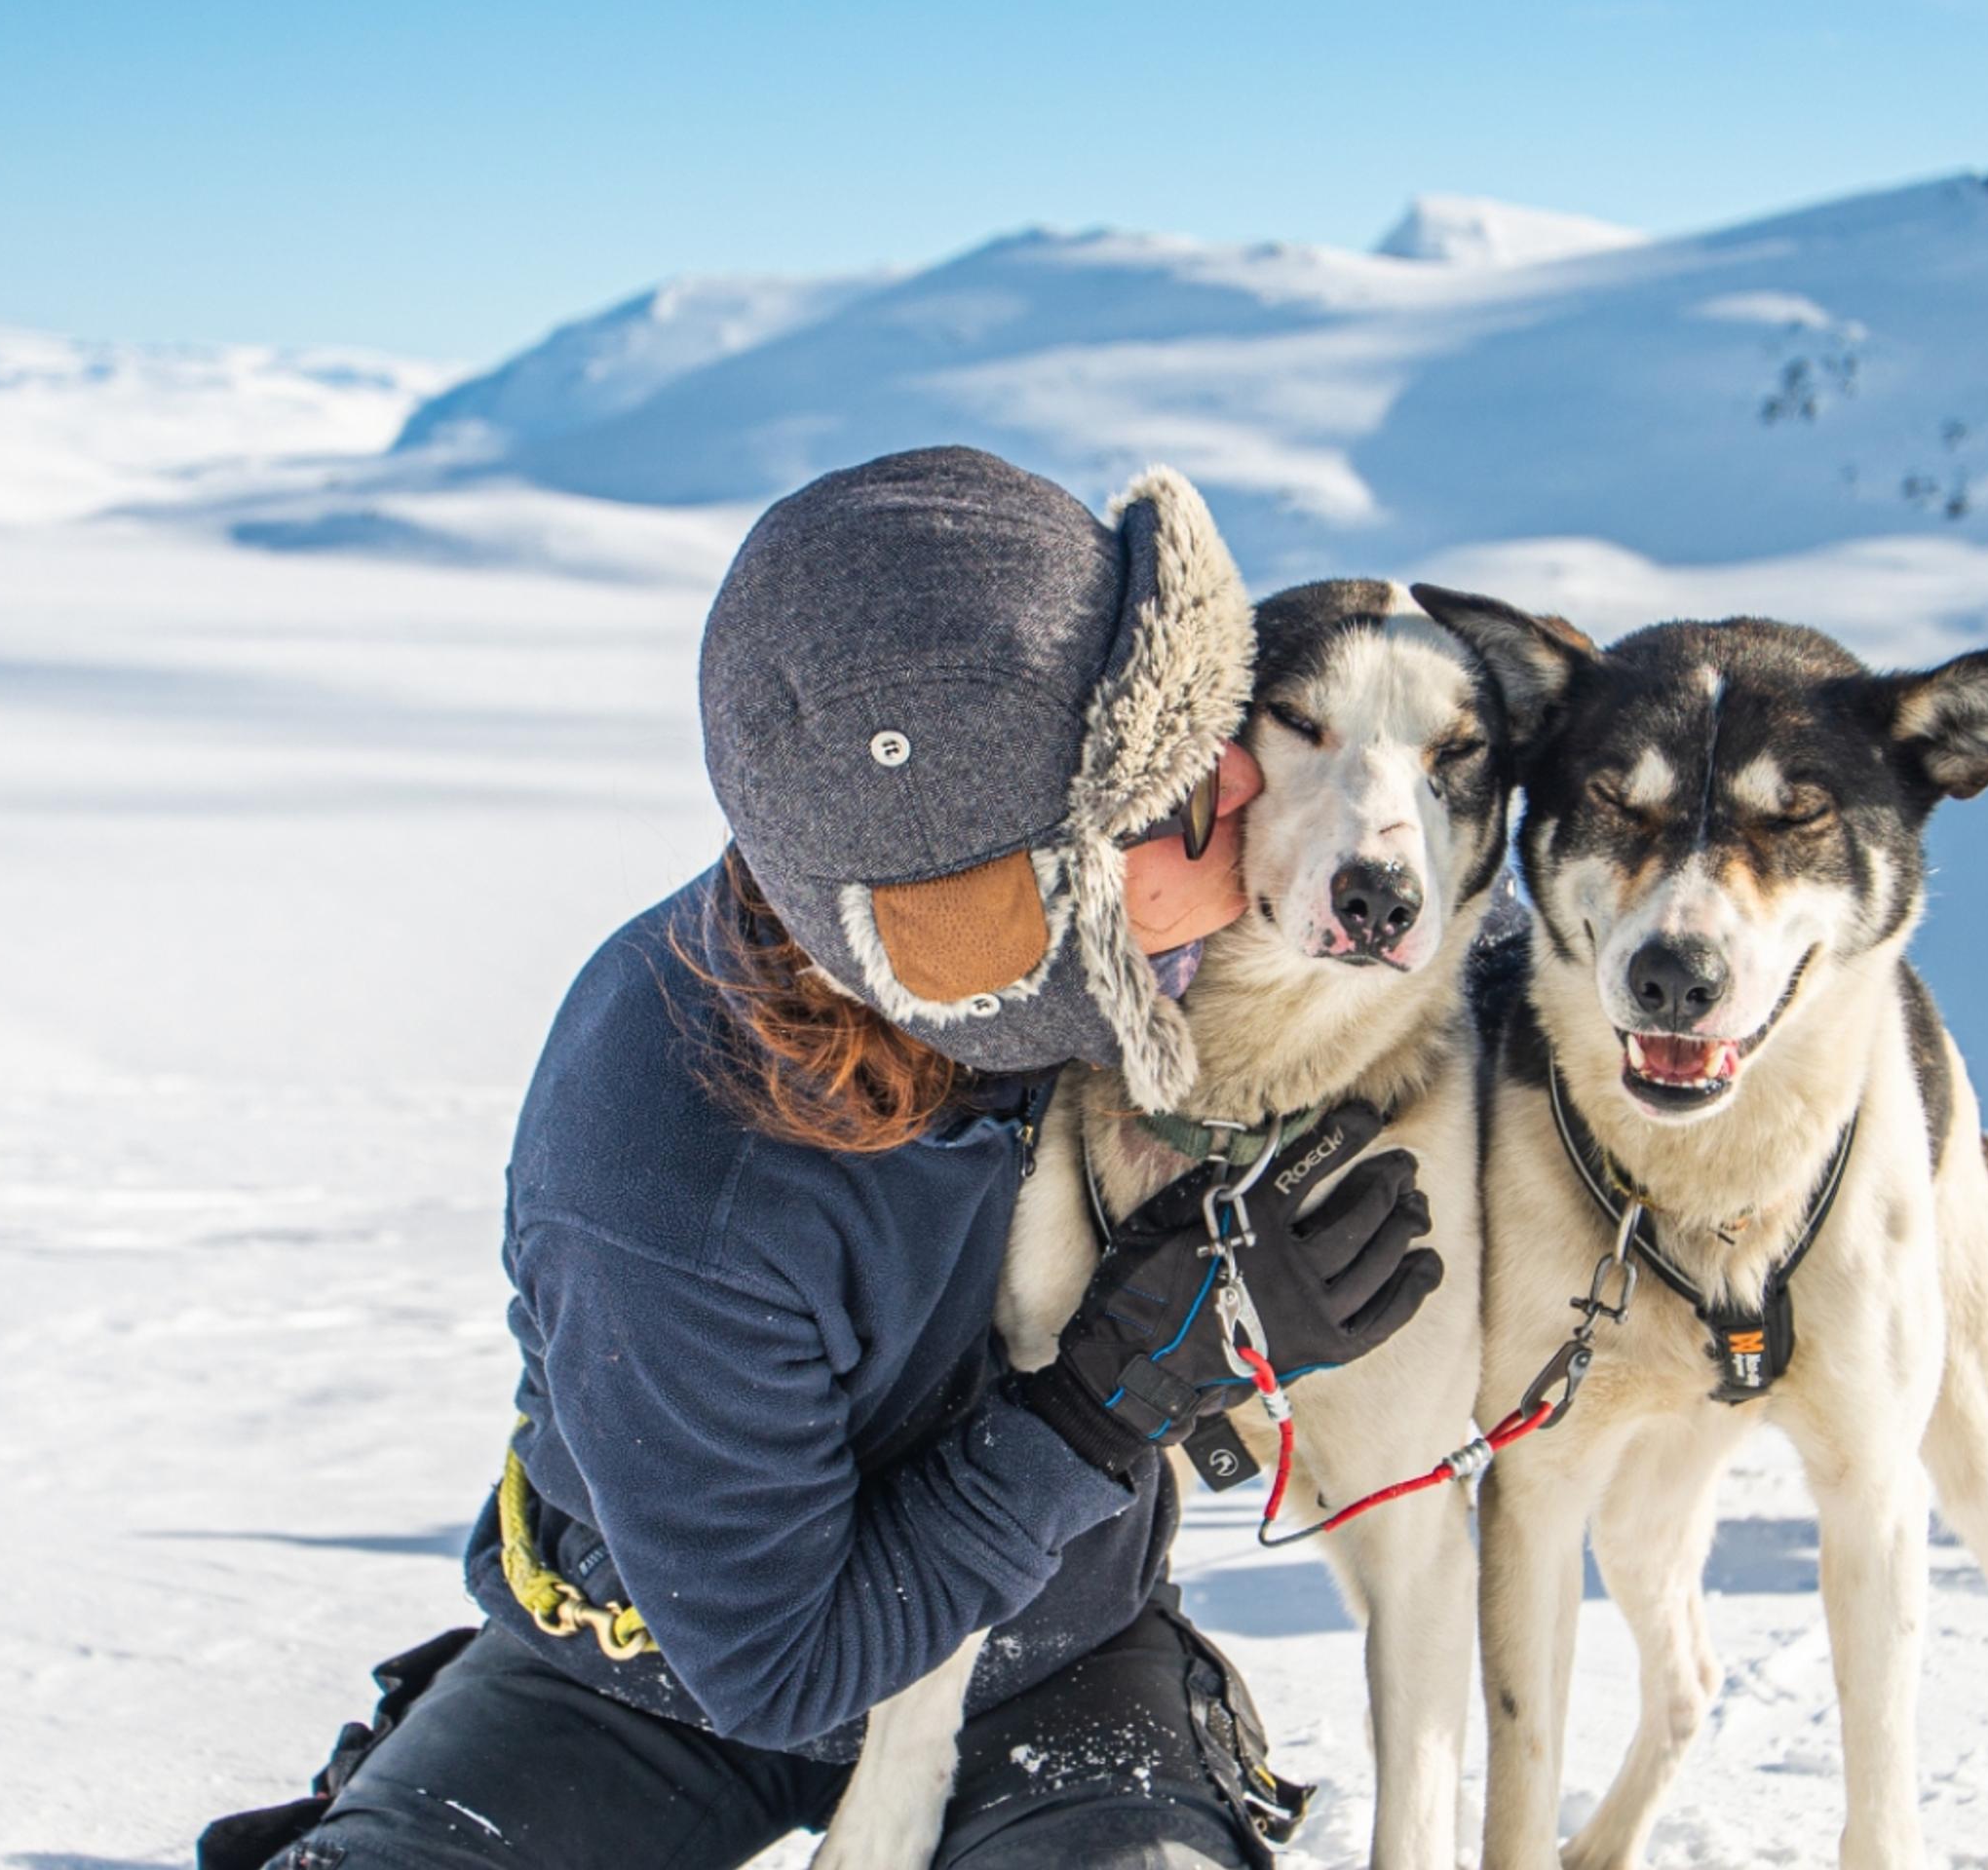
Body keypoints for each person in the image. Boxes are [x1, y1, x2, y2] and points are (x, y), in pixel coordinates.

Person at [202, 446, 1443, 1870]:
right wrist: (1114, 1403)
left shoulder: (1130, 954)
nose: (1242, 782)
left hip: (1043, 1654)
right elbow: (784, 1663)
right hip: (655, 1683)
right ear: (1008, 926)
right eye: (1163, 804)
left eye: (1217, 725)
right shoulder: (671, 1183)